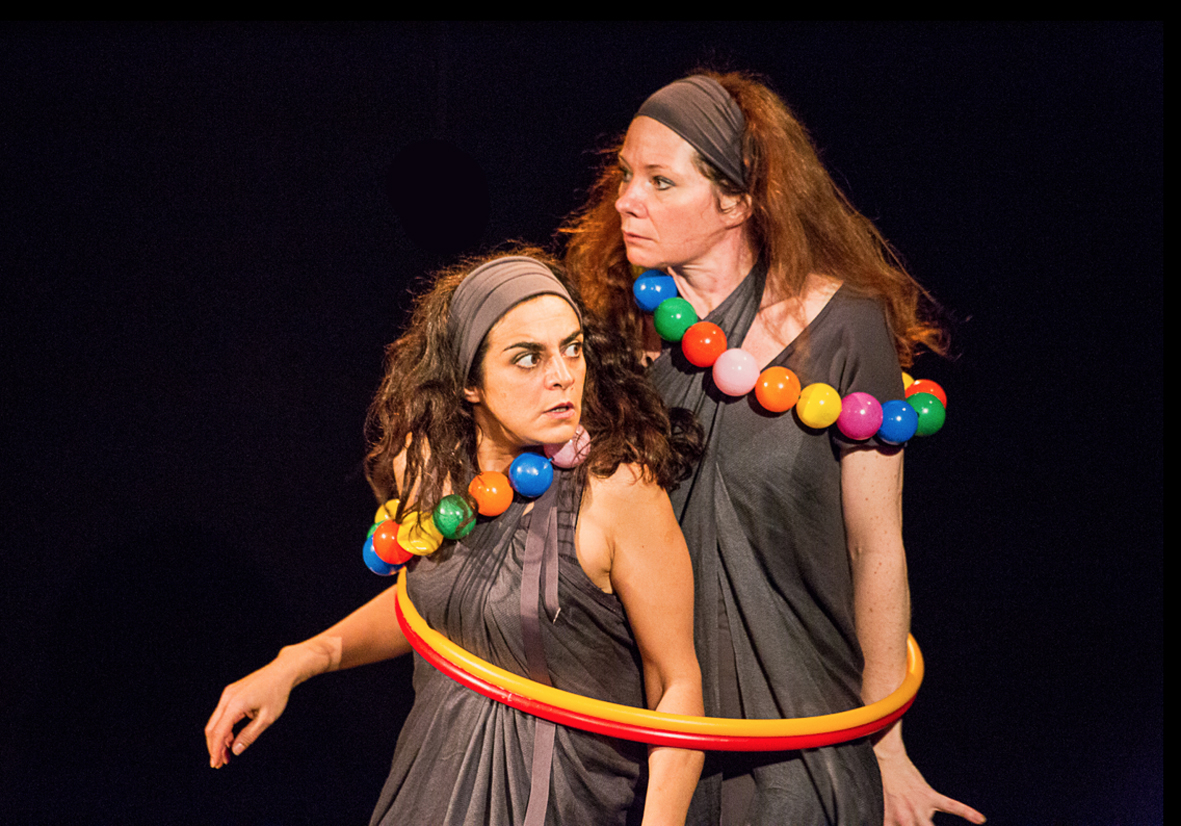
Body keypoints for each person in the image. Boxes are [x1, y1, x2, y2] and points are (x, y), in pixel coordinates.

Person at [563, 73, 986, 826]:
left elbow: (875, 548)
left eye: (660, 180)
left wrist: (884, 742)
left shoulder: (844, 327)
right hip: (644, 728)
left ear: (739, 200)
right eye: (625, 175)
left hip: (800, 718)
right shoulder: (612, 326)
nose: (626, 199)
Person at [205, 253, 704, 826]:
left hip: (562, 802)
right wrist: (300, 660)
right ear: (469, 382)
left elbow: (677, 684)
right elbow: (438, 604)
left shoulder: (616, 492)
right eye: (527, 358)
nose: (563, 375)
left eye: (571, 349)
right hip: (431, 788)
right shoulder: (428, 469)